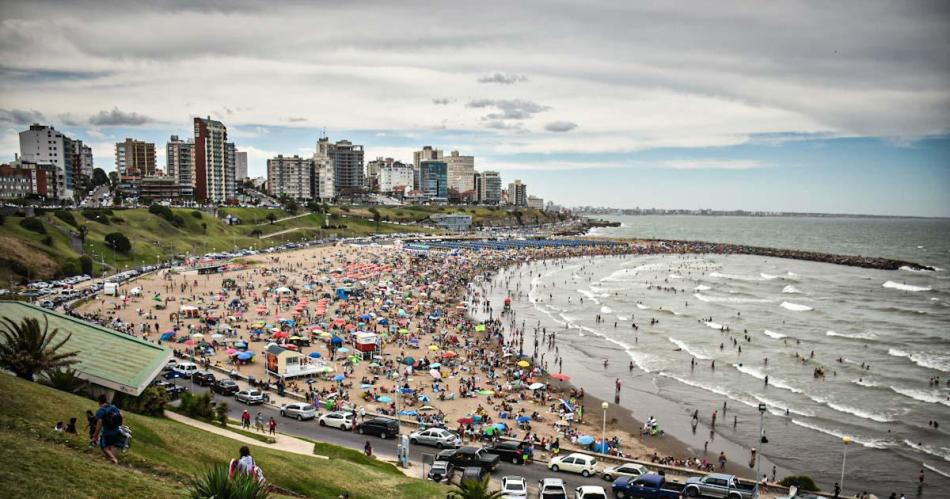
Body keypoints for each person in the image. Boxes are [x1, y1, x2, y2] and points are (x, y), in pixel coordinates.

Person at [92, 394, 122, 464]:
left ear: (99, 401)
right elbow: (121, 415)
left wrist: (96, 434)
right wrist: (120, 426)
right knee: (112, 445)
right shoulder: (114, 407)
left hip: (107, 432)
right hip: (116, 430)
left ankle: (113, 459)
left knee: (104, 447)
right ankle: (111, 462)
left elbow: (99, 423)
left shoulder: (101, 411)